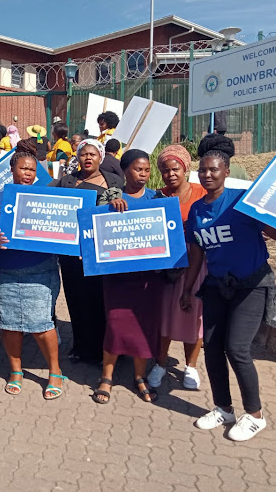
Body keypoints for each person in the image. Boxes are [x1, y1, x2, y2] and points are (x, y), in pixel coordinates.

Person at [181, 144, 276, 441]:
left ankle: (255, 415)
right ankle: (223, 408)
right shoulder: (196, 209)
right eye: (202, 170)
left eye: (213, 169)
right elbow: (196, 253)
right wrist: (188, 288)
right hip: (217, 285)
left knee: (237, 348)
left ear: (226, 173)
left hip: (252, 285)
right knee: (213, 347)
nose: (207, 174)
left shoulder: (242, 202)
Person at [0, 139, 66, 400]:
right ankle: (16, 371)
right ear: (12, 170)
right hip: (6, 271)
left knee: (42, 324)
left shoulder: (47, 198)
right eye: (23, 169)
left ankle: (54, 371)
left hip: (40, 269)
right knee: (10, 325)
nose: (27, 174)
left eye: (32, 170)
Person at [93, 149, 162, 405]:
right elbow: (94, 228)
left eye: (146, 170)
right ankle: (107, 376)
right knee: (116, 324)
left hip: (147, 280)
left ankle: (140, 376)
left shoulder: (157, 199)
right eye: (137, 169)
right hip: (118, 278)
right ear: (124, 171)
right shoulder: (112, 199)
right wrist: (109, 209)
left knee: (143, 326)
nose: (143, 174)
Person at [146, 145, 207, 391]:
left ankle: (190, 366)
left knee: (193, 316)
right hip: (167, 267)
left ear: (185, 169)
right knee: (164, 317)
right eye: (165, 170)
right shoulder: (157, 196)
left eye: (175, 169)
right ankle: (160, 363)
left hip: (196, 264)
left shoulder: (202, 193)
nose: (170, 174)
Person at [57, 140, 124, 363]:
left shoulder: (114, 180)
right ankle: (80, 347)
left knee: (100, 300)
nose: (88, 158)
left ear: (100, 157)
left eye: (92, 154)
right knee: (76, 299)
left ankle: (105, 350)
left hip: (100, 251)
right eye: (83, 154)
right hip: (72, 253)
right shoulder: (66, 181)